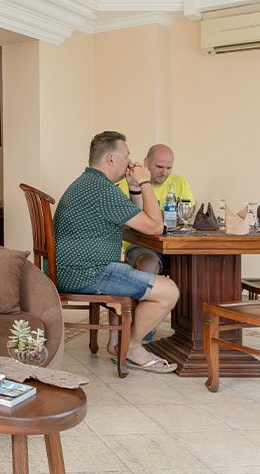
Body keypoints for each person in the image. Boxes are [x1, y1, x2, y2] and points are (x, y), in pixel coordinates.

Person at [53, 131, 180, 373]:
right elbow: (155, 227)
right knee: (169, 291)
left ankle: (116, 342)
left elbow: (137, 219)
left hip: (73, 268)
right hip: (89, 272)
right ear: (111, 159)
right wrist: (144, 182)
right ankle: (132, 347)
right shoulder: (102, 190)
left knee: (129, 271)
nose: (131, 162)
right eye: (127, 156)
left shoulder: (90, 184)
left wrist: (133, 190)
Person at [117, 143, 194, 275]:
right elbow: (134, 220)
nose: (164, 172)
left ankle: (185, 296)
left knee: (200, 261)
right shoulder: (128, 183)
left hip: (175, 245)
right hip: (141, 245)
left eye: (168, 168)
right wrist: (163, 216)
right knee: (148, 264)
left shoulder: (180, 181)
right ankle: (149, 295)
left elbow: (188, 215)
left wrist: (153, 215)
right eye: (159, 167)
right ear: (146, 162)